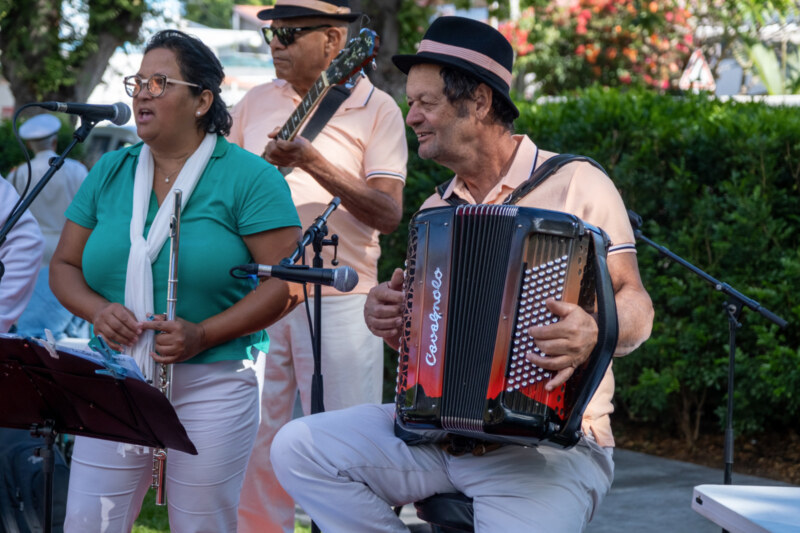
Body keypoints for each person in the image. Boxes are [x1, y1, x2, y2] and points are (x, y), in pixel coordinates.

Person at [270, 16, 655, 532]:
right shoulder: (437, 211)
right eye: (411, 103)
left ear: (478, 100)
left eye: (425, 102)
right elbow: (429, 348)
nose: (413, 117)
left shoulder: (576, 183)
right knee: (299, 447)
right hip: (440, 436)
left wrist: (594, 329)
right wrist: (392, 319)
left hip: (548, 449)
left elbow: (636, 302)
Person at [49, 29, 303, 532]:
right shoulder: (109, 171)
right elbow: (63, 267)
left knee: (200, 524)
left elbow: (288, 283)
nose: (142, 92)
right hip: (114, 373)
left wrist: (203, 334)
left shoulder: (250, 178)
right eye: (138, 82)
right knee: (86, 520)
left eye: (160, 82)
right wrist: (98, 311)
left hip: (213, 379)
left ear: (202, 100)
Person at [227, 1, 408, 530]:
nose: (275, 45)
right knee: (255, 440)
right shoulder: (254, 101)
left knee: (347, 445)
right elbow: (226, 194)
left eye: (288, 34)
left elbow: (388, 212)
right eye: (270, 35)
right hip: (261, 294)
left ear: (334, 41)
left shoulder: (379, 109)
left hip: (343, 299)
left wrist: (312, 161)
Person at [8, 113, 90, 340]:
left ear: (29, 145)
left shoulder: (19, 173)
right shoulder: (75, 169)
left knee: (32, 299)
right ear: (54, 141)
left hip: (33, 244)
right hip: (69, 242)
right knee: (64, 298)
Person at [0, 176, 44, 333]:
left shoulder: (21, 172)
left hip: (50, 237)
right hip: (57, 234)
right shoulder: (77, 169)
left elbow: (26, 239)